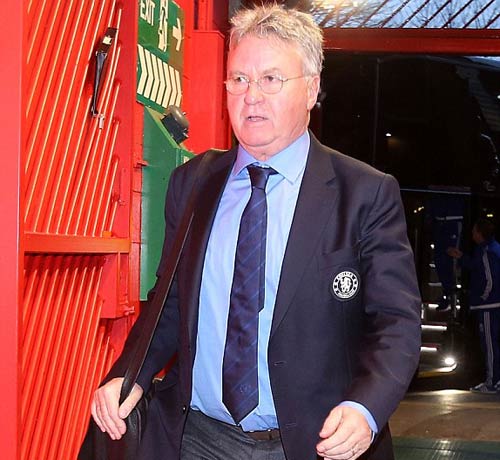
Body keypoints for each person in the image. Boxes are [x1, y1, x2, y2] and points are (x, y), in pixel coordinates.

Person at [90, 5, 421, 460]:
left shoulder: (364, 193)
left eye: (270, 79)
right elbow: (171, 302)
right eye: (239, 79)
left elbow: (396, 323)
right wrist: (129, 375)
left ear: (312, 89)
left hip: (313, 444)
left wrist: (365, 409)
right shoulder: (193, 183)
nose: (251, 97)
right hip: (198, 439)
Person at [448, 218, 500, 393]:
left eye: (474, 231)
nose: (472, 234)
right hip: (492, 304)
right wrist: (462, 257)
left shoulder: (487, 252)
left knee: (489, 344)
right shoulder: (493, 249)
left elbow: (490, 278)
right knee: (493, 343)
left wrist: (483, 297)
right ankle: (495, 379)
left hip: (489, 305)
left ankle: (492, 381)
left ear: (479, 233)